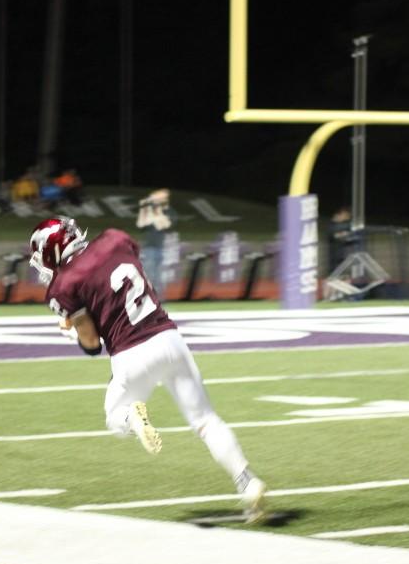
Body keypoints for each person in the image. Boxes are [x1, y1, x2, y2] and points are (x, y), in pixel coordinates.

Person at [29, 216, 267, 521]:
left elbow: (91, 344)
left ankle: (132, 417)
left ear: (52, 251)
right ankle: (247, 481)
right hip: (169, 338)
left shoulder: (65, 285)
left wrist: (73, 330)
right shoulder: (115, 238)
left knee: (114, 416)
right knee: (206, 420)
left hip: (131, 353)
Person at [136, 188, 176, 293]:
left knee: (158, 276)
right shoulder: (150, 212)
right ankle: (149, 298)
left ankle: (158, 299)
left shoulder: (169, 212)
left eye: (160, 198)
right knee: (149, 274)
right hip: (149, 248)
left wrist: (156, 210)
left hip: (160, 247)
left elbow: (162, 225)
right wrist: (143, 209)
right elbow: (140, 224)